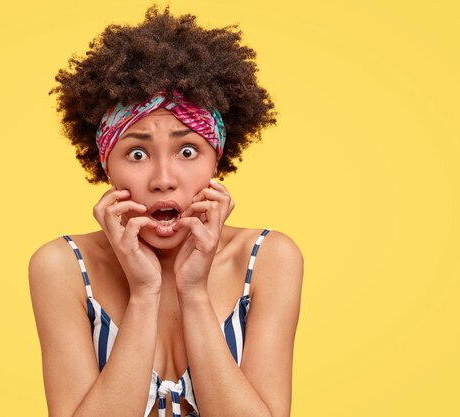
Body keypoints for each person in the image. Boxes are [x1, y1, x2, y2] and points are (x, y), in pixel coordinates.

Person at [29, 5, 304, 417]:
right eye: (136, 153)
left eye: (188, 150)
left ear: (217, 160)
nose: (163, 178)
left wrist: (193, 292)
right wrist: (144, 294)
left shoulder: (269, 258)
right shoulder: (62, 266)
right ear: (106, 165)